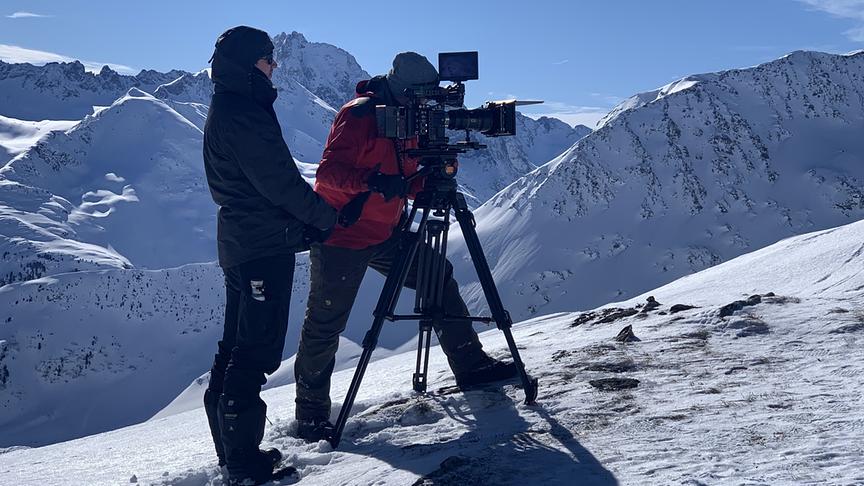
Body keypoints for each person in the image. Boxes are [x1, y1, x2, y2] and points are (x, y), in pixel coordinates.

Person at [292, 52, 518, 442]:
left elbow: (406, 177)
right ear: (402, 92)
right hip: (342, 236)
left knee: (438, 274)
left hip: (385, 232)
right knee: (326, 324)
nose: (425, 105)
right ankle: (311, 416)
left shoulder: (413, 118)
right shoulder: (360, 115)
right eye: (420, 97)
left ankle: (470, 366)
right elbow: (329, 175)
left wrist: (429, 178)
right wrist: (373, 182)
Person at [201, 26, 337, 485]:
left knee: (235, 348)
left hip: (242, 242)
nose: (273, 66)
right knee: (253, 352)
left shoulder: (232, 104)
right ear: (247, 64)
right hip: (261, 245)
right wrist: (325, 217)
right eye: (267, 59)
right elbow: (278, 181)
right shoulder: (244, 112)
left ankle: (233, 453)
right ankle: (242, 463)